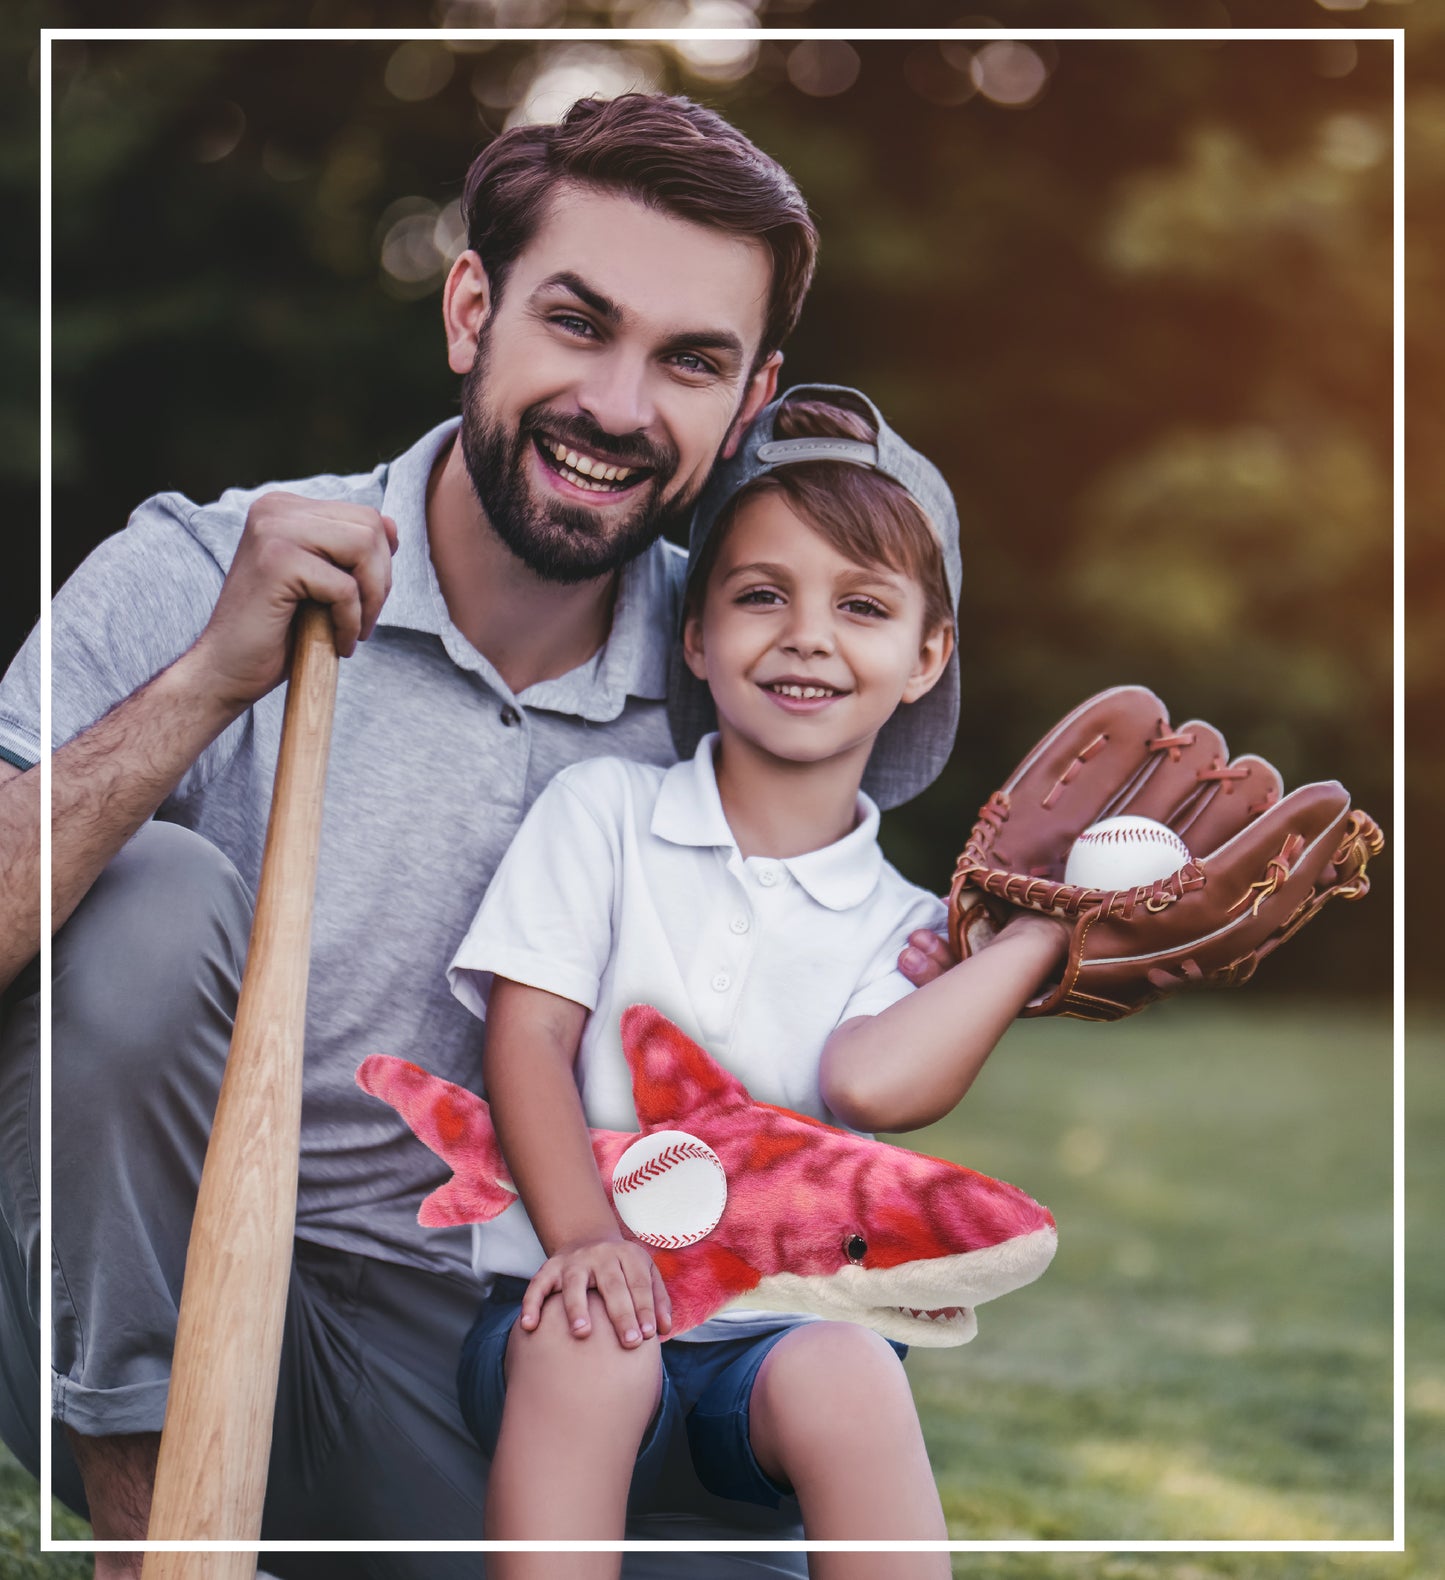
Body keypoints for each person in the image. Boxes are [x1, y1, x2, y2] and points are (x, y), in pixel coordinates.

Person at [0, 93, 950, 1577]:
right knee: (151, 902)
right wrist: (205, 683)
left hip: (514, 1352)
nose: (622, 407)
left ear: (750, 399)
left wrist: (1058, 940)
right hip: (167, 1297)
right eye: (578, 323)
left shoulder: (747, 665)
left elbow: (857, 969)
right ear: (469, 309)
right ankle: (167, 1554)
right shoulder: (201, 566)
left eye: (689, 362)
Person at [444, 386, 1068, 1579]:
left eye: (864, 605)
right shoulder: (604, 815)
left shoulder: (903, 928)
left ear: (925, 653)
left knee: (847, 1371)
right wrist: (585, 1238)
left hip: (764, 1356)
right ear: (694, 631)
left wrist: (1031, 939)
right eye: (760, 594)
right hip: (559, 1320)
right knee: (592, 1337)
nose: (807, 635)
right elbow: (524, 1041)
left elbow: (873, 1084)